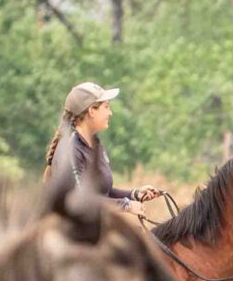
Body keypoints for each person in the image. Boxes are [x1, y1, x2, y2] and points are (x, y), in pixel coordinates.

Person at [39, 82, 161, 211]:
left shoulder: (95, 145)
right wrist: (126, 206)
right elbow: (83, 200)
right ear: (91, 111)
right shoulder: (72, 149)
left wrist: (134, 194)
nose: (110, 113)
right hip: (75, 230)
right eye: (106, 107)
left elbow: (103, 193)